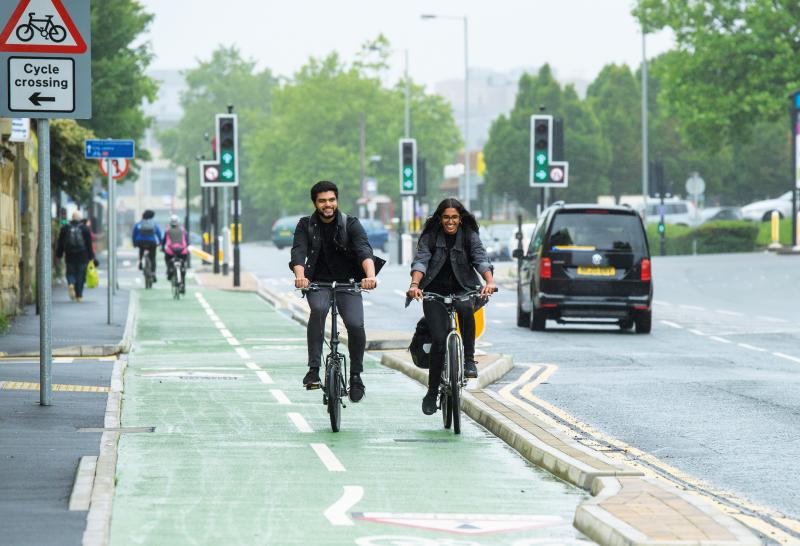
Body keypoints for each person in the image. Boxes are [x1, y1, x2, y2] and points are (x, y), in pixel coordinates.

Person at [289, 180, 378, 403]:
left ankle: (356, 376)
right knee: (318, 310)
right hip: (318, 283)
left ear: (336, 201)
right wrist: (300, 276)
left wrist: (370, 276)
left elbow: (364, 250)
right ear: (315, 203)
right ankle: (313, 370)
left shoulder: (351, 223)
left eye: (331, 200)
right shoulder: (305, 225)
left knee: (356, 324)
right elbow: (298, 253)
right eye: (322, 201)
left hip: (348, 284)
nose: (327, 205)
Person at [406, 198, 496, 415]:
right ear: (440, 218)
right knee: (438, 338)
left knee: (466, 308)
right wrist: (415, 284)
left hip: (464, 289)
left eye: (454, 217)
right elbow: (421, 260)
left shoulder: (469, 235)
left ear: (460, 218)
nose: (450, 221)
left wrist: (489, 281)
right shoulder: (430, 236)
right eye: (446, 217)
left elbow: (480, 258)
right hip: (434, 292)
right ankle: (432, 390)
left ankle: (468, 360)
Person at [56, 210, 95, 302]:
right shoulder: (84, 228)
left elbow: (60, 242)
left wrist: (59, 253)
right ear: (80, 218)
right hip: (82, 255)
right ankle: (79, 296)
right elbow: (89, 244)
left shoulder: (65, 228)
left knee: (70, 272)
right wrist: (91, 257)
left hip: (69, 255)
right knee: (80, 275)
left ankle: (70, 283)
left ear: (72, 218)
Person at [132, 210, 162, 281]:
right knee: (153, 258)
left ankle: (140, 262)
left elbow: (134, 234)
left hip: (140, 242)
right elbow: (159, 233)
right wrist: (160, 242)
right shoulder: (154, 224)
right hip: (152, 242)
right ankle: (153, 273)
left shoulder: (138, 224)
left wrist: (134, 243)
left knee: (141, 251)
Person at [162, 214, 189, 292]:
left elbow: (164, 241)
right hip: (182, 250)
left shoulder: (167, 231)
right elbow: (187, 241)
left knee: (167, 258)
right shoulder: (183, 230)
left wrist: (163, 248)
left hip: (171, 251)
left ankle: (169, 270)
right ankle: (182, 280)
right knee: (183, 265)